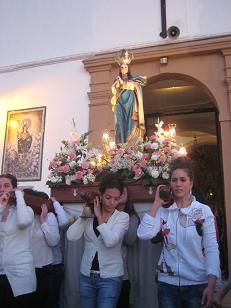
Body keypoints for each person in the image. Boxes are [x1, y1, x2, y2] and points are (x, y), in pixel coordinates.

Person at [137, 157, 220, 308]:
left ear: (191, 183)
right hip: (167, 285)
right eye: (174, 180)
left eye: (183, 179)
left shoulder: (203, 211)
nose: (178, 184)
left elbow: (212, 248)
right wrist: (156, 203)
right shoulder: (163, 210)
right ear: (169, 184)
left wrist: (211, 284)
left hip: (197, 284)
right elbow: (143, 234)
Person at [67, 173, 129, 308]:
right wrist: (85, 214)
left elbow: (110, 241)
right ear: (100, 195)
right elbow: (71, 236)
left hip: (110, 277)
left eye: (116, 199)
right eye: (108, 197)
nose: (112, 202)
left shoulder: (122, 217)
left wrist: (99, 217)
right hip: (86, 276)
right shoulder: (89, 214)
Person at [0, 174, 36, 308]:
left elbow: (23, 222)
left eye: (6, 186)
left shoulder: (26, 210)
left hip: (20, 274)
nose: (2, 189)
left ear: (14, 189)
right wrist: (1, 207)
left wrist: (20, 196)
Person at [26, 189, 60, 308]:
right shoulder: (23, 217)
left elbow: (53, 241)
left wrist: (43, 221)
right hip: (25, 268)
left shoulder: (50, 216)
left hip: (43, 270)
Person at [111, 49, 147, 146]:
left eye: (125, 67)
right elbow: (114, 90)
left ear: (128, 68)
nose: (123, 69)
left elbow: (136, 87)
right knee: (119, 123)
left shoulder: (134, 80)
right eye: (122, 67)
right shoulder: (117, 80)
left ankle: (131, 145)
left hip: (130, 103)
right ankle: (121, 144)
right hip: (120, 103)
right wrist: (118, 84)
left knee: (130, 122)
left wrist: (123, 84)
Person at [116, 186, 140, 308]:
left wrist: (120, 213)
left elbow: (129, 240)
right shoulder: (105, 214)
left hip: (122, 275)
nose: (119, 195)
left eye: (122, 193)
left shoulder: (132, 218)